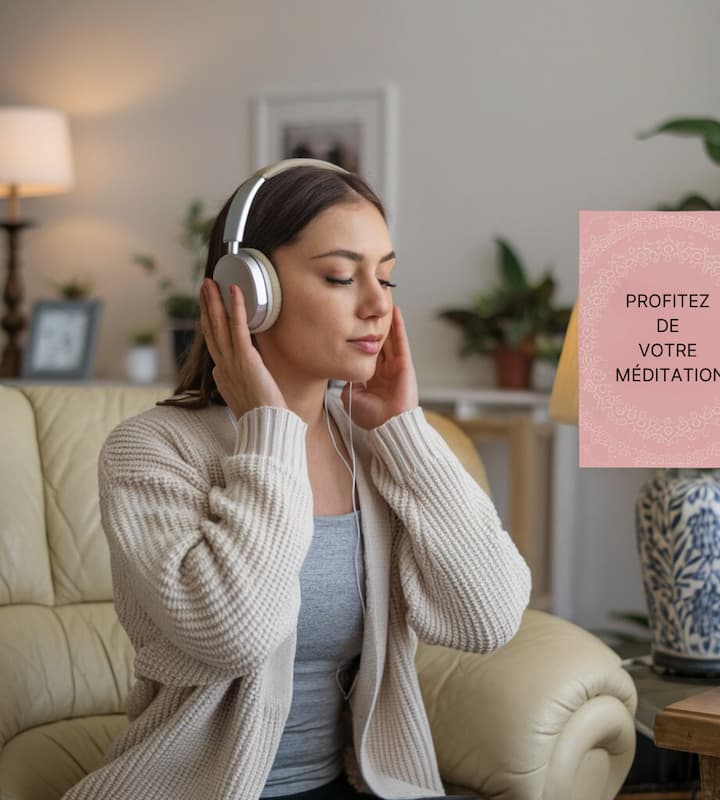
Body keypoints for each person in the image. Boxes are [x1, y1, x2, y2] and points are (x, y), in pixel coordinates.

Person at [62, 160, 531, 800]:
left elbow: (488, 619)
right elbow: (235, 635)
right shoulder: (151, 452)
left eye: (387, 276)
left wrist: (404, 431)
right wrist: (269, 429)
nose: (377, 305)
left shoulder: (372, 447)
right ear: (247, 290)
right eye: (341, 276)